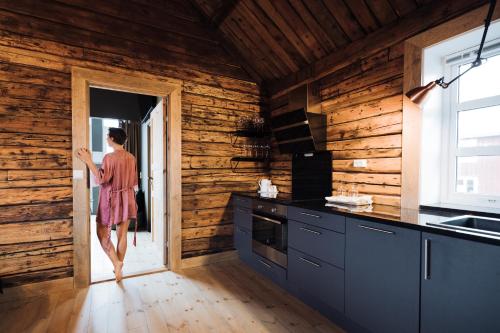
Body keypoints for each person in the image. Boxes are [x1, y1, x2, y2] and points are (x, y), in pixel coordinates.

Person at [76, 127, 138, 282]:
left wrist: (88, 160)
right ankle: (118, 267)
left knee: (102, 233)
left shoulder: (109, 158)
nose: (106, 139)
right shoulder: (132, 157)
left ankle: (116, 263)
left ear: (111, 138)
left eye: (107, 137)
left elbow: (101, 179)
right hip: (128, 197)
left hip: (112, 200)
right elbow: (134, 182)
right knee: (122, 235)